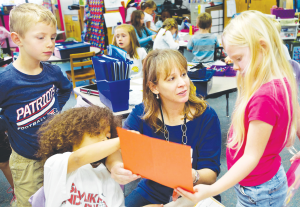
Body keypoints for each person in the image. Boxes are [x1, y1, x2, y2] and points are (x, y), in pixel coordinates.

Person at [176, 10, 299, 207]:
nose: (235, 66)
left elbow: (251, 157)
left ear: (262, 48)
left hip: (259, 191)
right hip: (263, 183)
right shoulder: (280, 79)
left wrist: (211, 190)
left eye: (239, 58)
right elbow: (297, 117)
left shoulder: (266, 96)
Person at [108, 49, 222, 206]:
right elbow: (117, 148)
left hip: (195, 192)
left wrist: (192, 175)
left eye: (183, 74)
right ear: (154, 87)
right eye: (171, 79)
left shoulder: (206, 116)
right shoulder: (143, 113)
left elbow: (211, 175)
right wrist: (114, 165)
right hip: (153, 189)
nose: (183, 83)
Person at [0, 3, 72, 206]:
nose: (50, 44)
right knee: (29, 202)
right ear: (17, 39)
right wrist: (5, 123)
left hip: (54, 152)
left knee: (57, 197)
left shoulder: (53, 72)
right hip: (26, 160)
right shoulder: (5, 80)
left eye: (52, 37)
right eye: (41, 37)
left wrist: (55, 107)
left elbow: (66, 89)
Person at [36, 106, 124, 206]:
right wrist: (122, 141)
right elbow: (78, 158)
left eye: (108, 136)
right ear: (74, 134)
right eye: (97, 132)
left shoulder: (107, 174)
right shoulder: (56, 163)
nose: (105, 139)